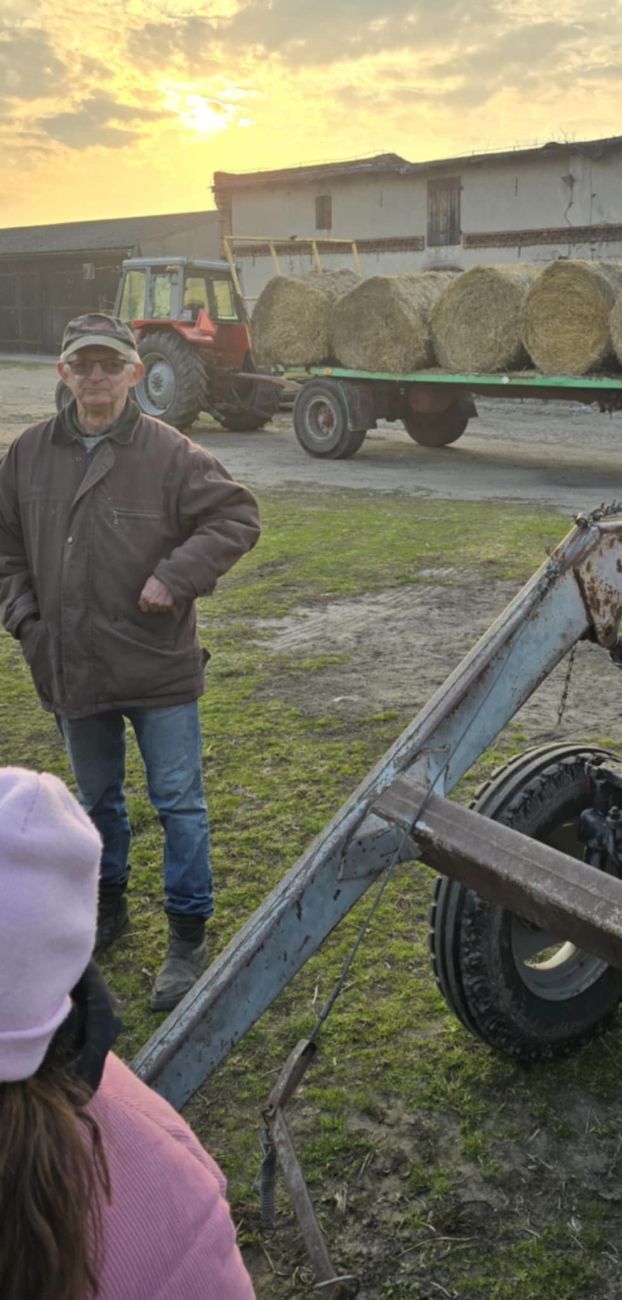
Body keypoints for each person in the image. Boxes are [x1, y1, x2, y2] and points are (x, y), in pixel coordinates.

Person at [0, 313, 261, 1010]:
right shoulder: (26, 454)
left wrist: (175, 577)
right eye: (82, 364)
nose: (95, 377)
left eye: (109, 365)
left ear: (134, 373)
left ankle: (187, 937)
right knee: (96, 804)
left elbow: (237, 517)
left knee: (178, 803)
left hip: (156, 664)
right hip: (71, 664)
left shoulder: (172, 453)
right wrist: (26, 619)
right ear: (63, 372)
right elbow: (6, 551)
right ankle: (104, 914)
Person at [0, 765, 256, 1300]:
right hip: (86, 688)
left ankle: (188, 929)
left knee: (176, 799)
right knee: (114, 795)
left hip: (152, 684)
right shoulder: (174, 1190)